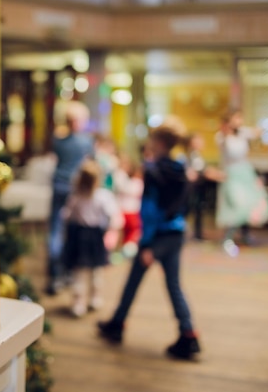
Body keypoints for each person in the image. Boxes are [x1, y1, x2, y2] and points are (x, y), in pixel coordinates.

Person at [98, 120, 201, 360]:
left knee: (135, 280)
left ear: (160, 143)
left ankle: (117, 324)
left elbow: (151, 209)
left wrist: (148, 243)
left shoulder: (154, 171)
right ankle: (189, 335)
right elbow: (184, 206)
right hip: (175, 233)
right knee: (173, 285)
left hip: (157, 237)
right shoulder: (181, 170)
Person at [62, 159, 122, 317]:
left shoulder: (76, 197)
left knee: (80, 273)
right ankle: (95, 298)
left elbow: (66, 215)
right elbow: (112, 217)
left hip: (80, 236)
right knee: (96, 270)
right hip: (95, 236)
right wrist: (108, 230)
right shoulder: (103, 196)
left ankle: (79, 303)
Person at [47, 101, 94, 295]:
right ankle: (67, 272)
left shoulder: (58, 140)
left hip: (59, 185)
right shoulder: (86, 142)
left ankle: (54, 274)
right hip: (75, 190)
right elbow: (91, 164)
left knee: (55, 231)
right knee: (72, 231)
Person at [216, 111, 268, 256]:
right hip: (232, 174)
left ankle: (245, 235)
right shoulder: (222, 136)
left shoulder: (242, 133)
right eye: (237, 117)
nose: (239, 121)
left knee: (250, 204)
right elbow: (223, 152)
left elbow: (258, 132)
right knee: (237, 205)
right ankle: (227, 238)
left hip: (245, 172)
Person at [183, 133, 224, 241]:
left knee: (197, 210)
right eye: (199, 140)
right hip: (195, 188)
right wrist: (218, 175)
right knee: (195, 209)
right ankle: (196, 234)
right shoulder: (194, 155)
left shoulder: (195, 155)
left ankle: (197, 232)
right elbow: (202, 171)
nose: (202, 143)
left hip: (196, 188)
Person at [114, 154, 143, 258]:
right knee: (126, 233)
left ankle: (125, 252)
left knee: (130, 234)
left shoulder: (134, 182)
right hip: (126, 210)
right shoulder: (124, 178)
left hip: (130, 211)